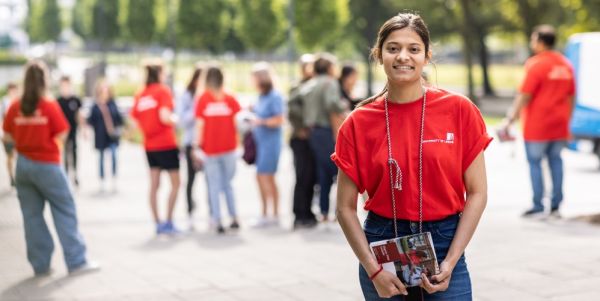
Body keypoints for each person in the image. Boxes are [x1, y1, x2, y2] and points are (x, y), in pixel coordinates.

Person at [332, 13, 491, 300]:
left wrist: (452, 259)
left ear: (427, 56)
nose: (402, 56)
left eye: (413, 49)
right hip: (382, 245)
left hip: (444, 242)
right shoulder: (358, 122)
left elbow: (478, 192)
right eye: (393, 48)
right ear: (379, 55)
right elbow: (344, 208)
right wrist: (373, 270)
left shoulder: (459, 110)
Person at [2, 60, 99, 276]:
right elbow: (63, 132)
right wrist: (50, 145)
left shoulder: (15, 107)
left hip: (23, 166)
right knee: (64, 209)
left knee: (31, 216)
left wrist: (16, 151)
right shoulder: (48, 105)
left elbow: (6, 137)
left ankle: (40, 265)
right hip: (47, 164)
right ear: (44, 80)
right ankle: (76, 261)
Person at [500, 25, 575, 219]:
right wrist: (569, 120)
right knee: (556, 162)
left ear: (541, 42)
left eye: (534, 40)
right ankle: (557, 206)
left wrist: (510, 119)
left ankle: (538, 205)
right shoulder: (566, 64)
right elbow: (571, 97)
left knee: (535, 163)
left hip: (538, 124)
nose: (532, 44)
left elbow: (525, 94)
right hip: (559, 123)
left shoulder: (536, 64)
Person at [130, 61, 181, 235]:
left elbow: (133, 121)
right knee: (176, 183)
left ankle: (157, 223)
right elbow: (165, 116)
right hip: (166, 143)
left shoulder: (141, 94)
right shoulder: (162, 91)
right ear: (159, 73)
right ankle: (169, 220)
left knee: (154, 185)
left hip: (150, 146)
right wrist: (177, 120)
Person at [195, 66, 241, 234]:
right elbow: (238, 123)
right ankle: (234, 217)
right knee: (227, 184)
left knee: (214, 185)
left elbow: (200, 126)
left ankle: (217, 219)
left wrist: (196, 146)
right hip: (229, 147)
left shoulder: (203, 99)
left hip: (210, 149)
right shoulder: (230, 98)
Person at [303, 53, 348, 222]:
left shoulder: (310, 83)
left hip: (313, 131)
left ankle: (324, 211)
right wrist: (342, 106)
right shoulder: (330, 83)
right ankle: (339, 211)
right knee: (336, 170)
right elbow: (332, 103)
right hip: (327, 130)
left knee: (322, 172)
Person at [250, 62, 285, 227]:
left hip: (271, 142)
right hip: (261, 142)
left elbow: (279, 119)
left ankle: (274, 213)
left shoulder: (275, 96)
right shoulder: (261, 96)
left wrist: (260, 121)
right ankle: (266, 212)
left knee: (266, 176)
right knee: (262, 176)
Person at [289, 54, 318, 229]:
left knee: (312, 176)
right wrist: (300, 128)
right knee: (302, 176)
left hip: (312, 137)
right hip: (300, 138)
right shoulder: (298, 87)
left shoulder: (316, 85)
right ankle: (299, 213)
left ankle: (308, 212)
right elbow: (293, 111)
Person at [177, 65, 204, 228]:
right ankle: (189, 212)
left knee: (211, 180)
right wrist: (197, 109)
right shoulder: (187, 95)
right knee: (191, 178)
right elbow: (182, 119)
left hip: (207, 143)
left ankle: (212, 212)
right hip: (191, 142)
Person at [87, 79, 123, 193]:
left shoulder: (113, 103)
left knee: (113, 156)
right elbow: (90, 120)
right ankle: (102, 181)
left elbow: (119, 118)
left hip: (111, 136)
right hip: (100, 136)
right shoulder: (95, 105)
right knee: (101, 158)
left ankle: (114, 179)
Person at [57, 76, 83, 187]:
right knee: (65, 154)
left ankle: (75, 174)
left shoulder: (75, 100)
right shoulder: (58, 101)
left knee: (74, 152)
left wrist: (83, 128)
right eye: (63, 85)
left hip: (73, 130)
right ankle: (66, 175)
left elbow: (78, 114)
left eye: (67, 85)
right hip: (62, 133)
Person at [1, 82, 18, 187]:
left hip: (18, 135)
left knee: (19, 156)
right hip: (7, 135)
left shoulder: (20, 102)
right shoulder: (4, 102)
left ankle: (18, 176)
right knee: (10, 156)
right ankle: (11, 176)